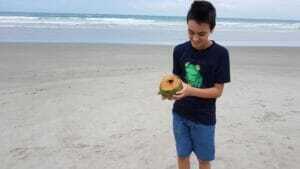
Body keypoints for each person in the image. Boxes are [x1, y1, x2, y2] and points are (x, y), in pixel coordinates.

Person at [170, 1, 231, 169]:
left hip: (204, 119)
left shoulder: (221, 54)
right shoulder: (179, 50)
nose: (195, 38)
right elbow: (176, 79)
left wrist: (190, 90)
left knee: (204, 160)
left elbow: (217, 91)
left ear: (212, 29)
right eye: (191, 32)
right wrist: (169, 90)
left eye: (201, 33)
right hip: (180, 115)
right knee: (182, 156)